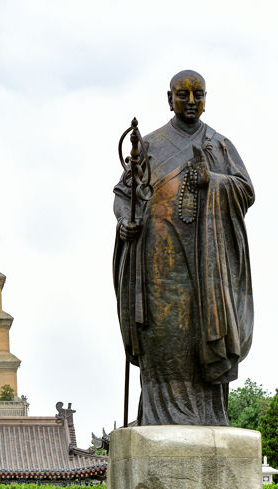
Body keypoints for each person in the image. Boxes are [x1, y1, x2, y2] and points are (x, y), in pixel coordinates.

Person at [113, 70, 254, 426]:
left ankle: (208, 415)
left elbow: (245, 190)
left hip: (206, 262)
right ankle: (160, 417)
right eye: (183, 94)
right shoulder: (149, 145)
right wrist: (125, 221)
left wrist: (212, 180)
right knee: (163, 339)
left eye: (198, 94)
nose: (190, 101)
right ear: (169, 98)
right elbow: (124, 195)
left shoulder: (218, 145)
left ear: (206, 98)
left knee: (204, 331)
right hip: (158, 260)